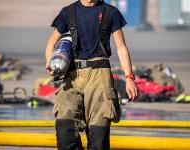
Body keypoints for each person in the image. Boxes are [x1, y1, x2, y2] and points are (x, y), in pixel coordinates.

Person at [45, 0, 138, 149]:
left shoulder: (110, 12)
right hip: (72, 75)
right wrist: (50, 62)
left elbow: (121, 47)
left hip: (100, 75)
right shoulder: (68, 12)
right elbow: (51, 42)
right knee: (65, 131)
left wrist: (129, 78)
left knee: (98, 136)